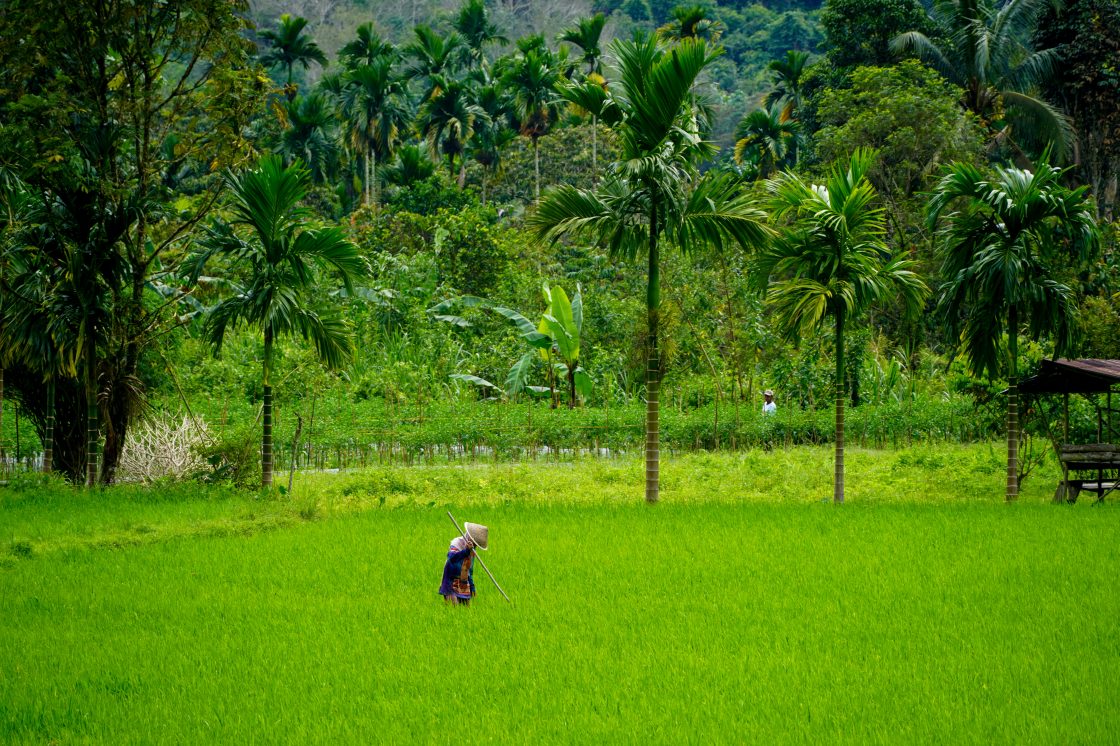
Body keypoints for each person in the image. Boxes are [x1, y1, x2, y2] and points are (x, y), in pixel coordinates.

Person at [438, 522, 488, 606]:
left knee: (466, 610)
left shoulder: (472, 550)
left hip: (464, 582)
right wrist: (466, 551)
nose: (475, 546)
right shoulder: (456, 542)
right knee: (453, 608)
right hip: (451, 580)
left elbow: (470, 570)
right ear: (470, 538)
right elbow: (452, 559)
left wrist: (472, 587)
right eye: (475, 543)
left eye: (477, 544)